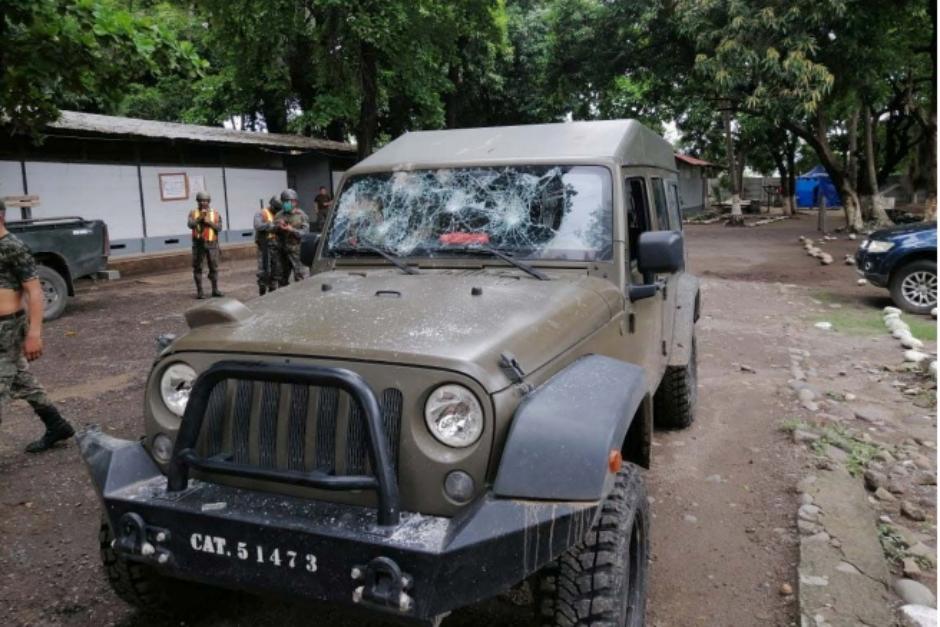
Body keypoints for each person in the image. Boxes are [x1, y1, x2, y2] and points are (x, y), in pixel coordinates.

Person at [0, 200, 74, 453]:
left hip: (7, 328)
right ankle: (57, 425)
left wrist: (34, 333)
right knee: (21, 379)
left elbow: (34, 291)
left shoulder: (13, 247)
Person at [187, 191, 223, 298]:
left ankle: (215, 290)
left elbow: (219, 228)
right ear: (198, 202)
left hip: (212, 244)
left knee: (214, 267)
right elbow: (190, 225)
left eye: (205, 201)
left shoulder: (215, 213)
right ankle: (200, 291)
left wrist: (209, 222)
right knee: (198, 267)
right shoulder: (193, 213)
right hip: (198, 244)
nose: (203, 203)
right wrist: (199, 219)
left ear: (209, 202)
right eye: (201, 201)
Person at [275, 188, 310, 285]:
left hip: (297, 252)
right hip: (282, 252)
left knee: (300, 278)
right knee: (281, 278)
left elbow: (305, 233)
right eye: (284, 201)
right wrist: (278, 227)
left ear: (295, 202)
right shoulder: (279, 215)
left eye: (289, 201)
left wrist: (292, 230)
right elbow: (273, 231)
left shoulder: (301, 215)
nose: (286, 204)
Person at [254, 196, 281, 295]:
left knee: (275, 269)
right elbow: (258, 226)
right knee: (263, 270)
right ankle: (262, 290)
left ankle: (272, 290)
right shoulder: (261, 213)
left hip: (275, 245)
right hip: (264, 245)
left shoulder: (279, 214)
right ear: (272, 206)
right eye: (276, 209)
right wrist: (270, 225)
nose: (277, 211)